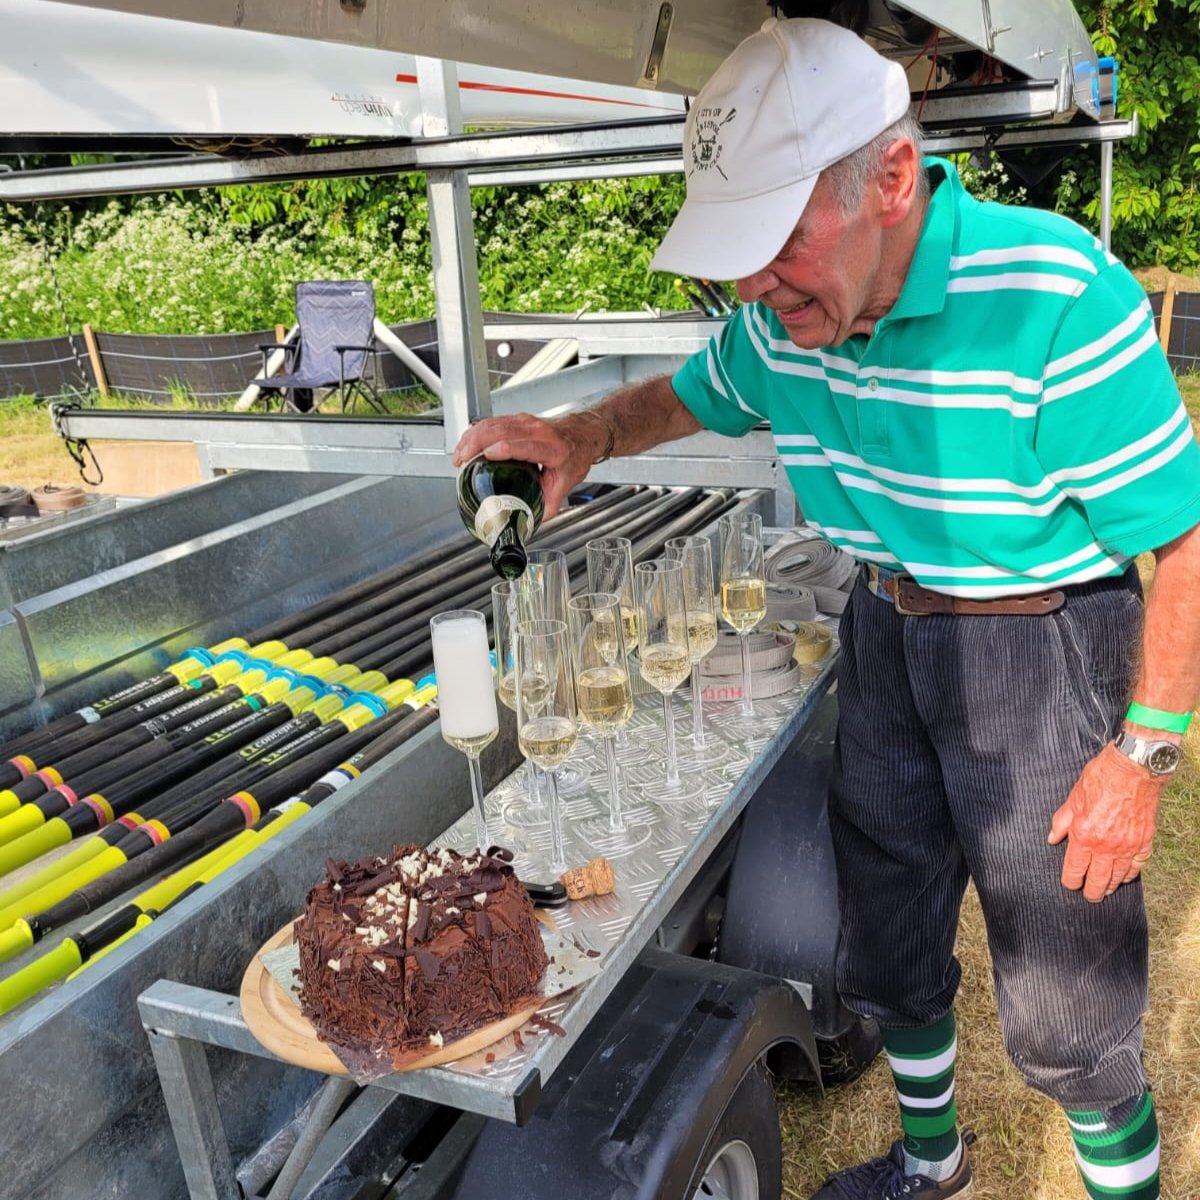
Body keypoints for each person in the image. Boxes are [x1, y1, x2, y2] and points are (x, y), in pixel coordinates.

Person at [454, 17, 1200, 1200]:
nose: (754, 287)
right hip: (885, 630)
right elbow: (693, 394)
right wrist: (583, 434)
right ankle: (933, 1158)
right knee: (890, 929)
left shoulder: (1055, 292)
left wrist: (1145, 752)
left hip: (1041, 639)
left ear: (892, 179)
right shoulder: (783, 320)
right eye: (737, 252)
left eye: (779, 240)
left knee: (1067, 996)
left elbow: (1183, 539)